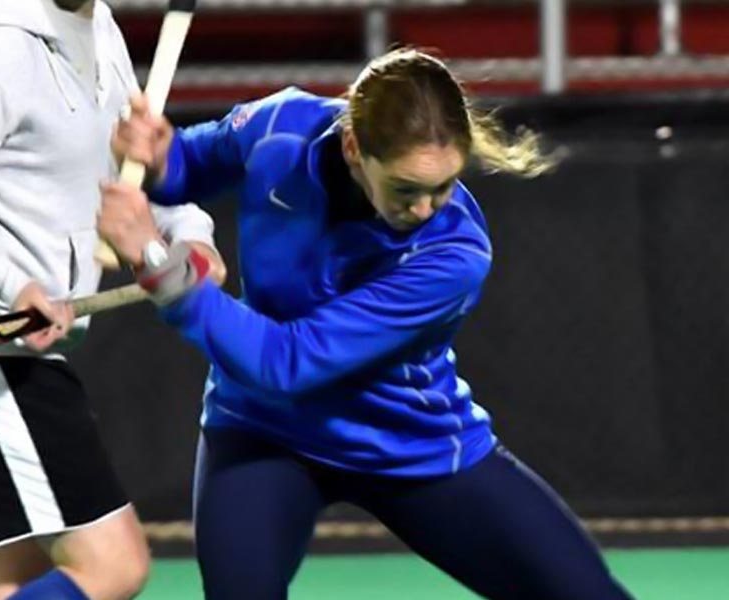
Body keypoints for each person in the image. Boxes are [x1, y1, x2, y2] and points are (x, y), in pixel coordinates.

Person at [98, 48, 634, 599]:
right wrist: (159, 158)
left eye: (444, 186)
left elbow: (287, 363)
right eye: (406, 189)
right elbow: (191, 166)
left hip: (408, 445)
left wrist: (161, 268)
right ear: (355, 148)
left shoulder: (454, 252)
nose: (425, 209)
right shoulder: (281, 126)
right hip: (262, 432)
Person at [0, 0, 223, 598]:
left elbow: (121, 175)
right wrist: (13, 283)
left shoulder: (94, 26)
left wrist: (189, 235)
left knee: (15, 580)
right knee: (114, 567)